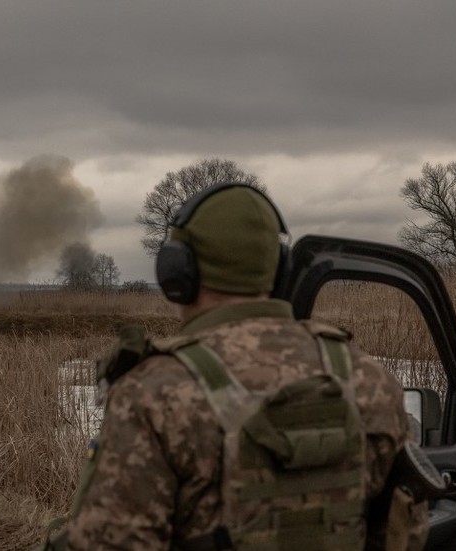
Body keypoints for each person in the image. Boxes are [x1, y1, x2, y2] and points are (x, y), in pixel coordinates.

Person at [46, 184, 430, 550]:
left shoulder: (154, 393)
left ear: (178, 273)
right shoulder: (367, 379)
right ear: (279, 270)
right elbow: (405, 531)